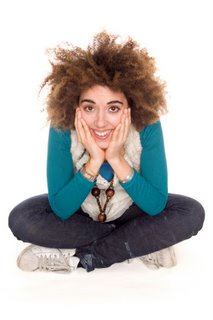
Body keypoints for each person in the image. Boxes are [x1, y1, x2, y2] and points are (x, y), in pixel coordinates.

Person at [8, 31, 205, 273]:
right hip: (81, 213)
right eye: (89, 107)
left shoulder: (147, 126)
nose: (100, 122)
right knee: (22, 217)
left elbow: (155, 205)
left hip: (132, 209)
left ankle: (81, 258)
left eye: (113, 108)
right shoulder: (62, 127)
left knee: (191, 212)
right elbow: (61, 207)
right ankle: (140, 242)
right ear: (75, 106)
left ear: (130, 108)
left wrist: (115, 158)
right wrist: (93, 162)